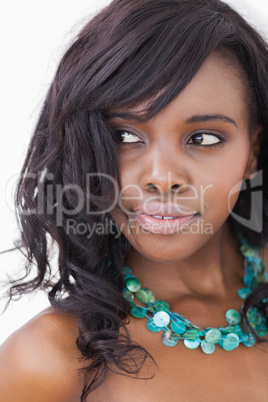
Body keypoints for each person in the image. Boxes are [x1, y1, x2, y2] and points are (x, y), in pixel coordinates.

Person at [1, 0, 268, 400]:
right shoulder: (51, 359)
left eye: (204, 138)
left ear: (253, 152)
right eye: (124, 136)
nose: (162, 178)